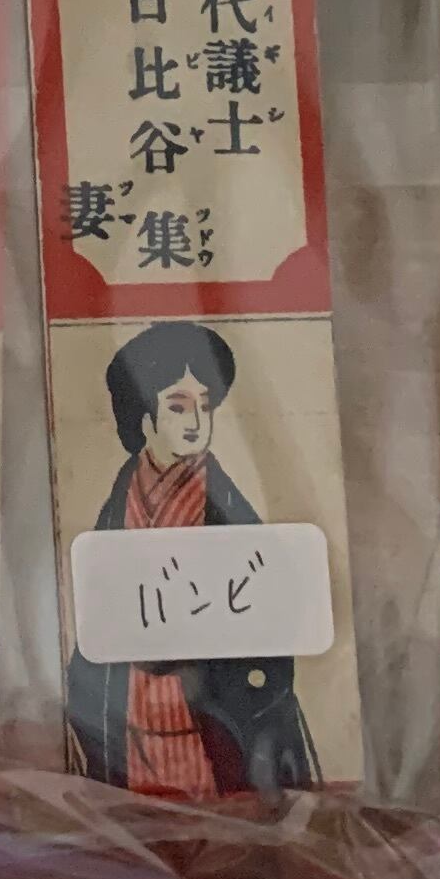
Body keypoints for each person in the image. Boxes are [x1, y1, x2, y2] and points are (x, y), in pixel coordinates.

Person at [64, 318, 320, 797]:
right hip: (128, 718)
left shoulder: (224, 505)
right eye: (178, 406)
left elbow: (272, 614)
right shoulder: (120, 502)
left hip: (209, 719)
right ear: (144, 413)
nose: (196, 420)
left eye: (204, 405)